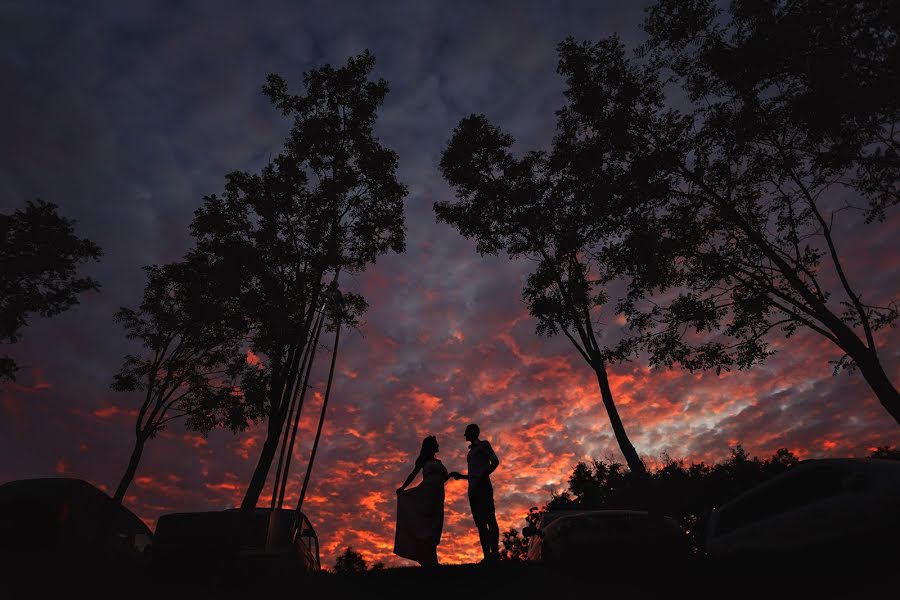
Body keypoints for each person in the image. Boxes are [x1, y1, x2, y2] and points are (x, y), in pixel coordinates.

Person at [393, 435, 453, 566]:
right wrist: (403, 487)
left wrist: (451, 475)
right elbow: (413, 474)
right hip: (426, 492)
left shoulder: (439, 462)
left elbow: (443, 478)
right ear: (431, 446)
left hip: (438, 494)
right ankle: (428, 559)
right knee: (426, 522)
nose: (438, 446)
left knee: (436, 521)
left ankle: (432, 558)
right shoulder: (423, 461)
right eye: (436, 443)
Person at [449, 423, 500, 563]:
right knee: (481, 523)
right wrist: (461, 476)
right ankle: (487, 556)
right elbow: (473, 475)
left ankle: (495, 553)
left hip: (483, 487)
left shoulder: (484, 445)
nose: (465, 435)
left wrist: (483, 475)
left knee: (490, 519)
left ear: (473, 432)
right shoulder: (470, 452)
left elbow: (495, 462)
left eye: (467, 432)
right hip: (473, 490)